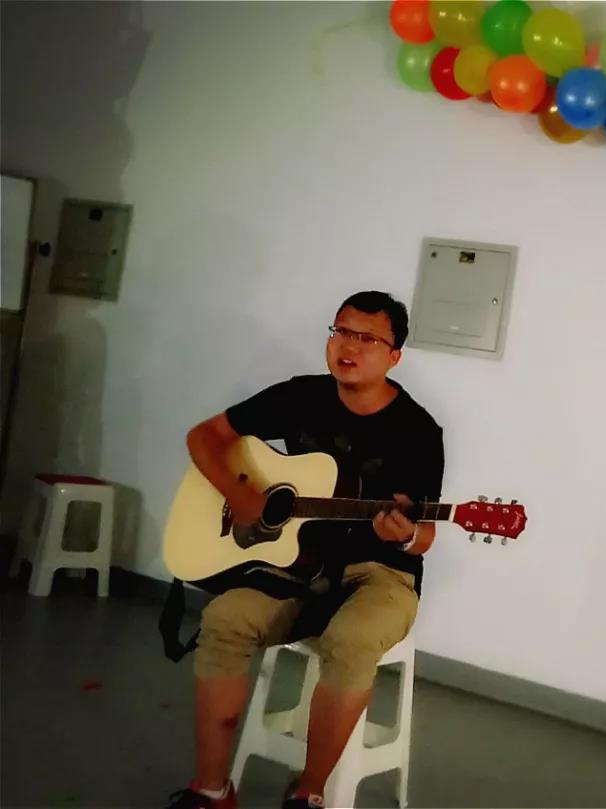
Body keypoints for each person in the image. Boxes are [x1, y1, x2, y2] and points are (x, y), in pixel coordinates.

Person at [166, 291, 444, 809]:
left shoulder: (418, 431)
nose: (349, 346)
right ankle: (212, 790)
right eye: (341, 331)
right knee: (225, 618)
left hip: (380, 574)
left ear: (394, 356)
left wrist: (403, 534)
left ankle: (309, 794)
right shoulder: (300, 396)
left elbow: (424, 536)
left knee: (352, 638)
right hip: (295, 566)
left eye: (367, 338)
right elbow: (205, 436)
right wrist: (241, 497)